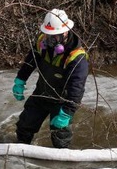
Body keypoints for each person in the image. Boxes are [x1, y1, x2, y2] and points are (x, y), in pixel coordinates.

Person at [11, 9, 89, 148]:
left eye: (54, 35)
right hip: (42, 93)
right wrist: (20, 80)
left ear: (65, 32)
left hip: (61, 100)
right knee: (24, 127)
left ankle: (60, 166)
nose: (50, 39)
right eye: (48, 35)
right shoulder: (42, 43)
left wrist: (67, 112)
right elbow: (30, 62)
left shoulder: (77, 57)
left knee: (60, 138)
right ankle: (20, 157)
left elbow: (76, 88)